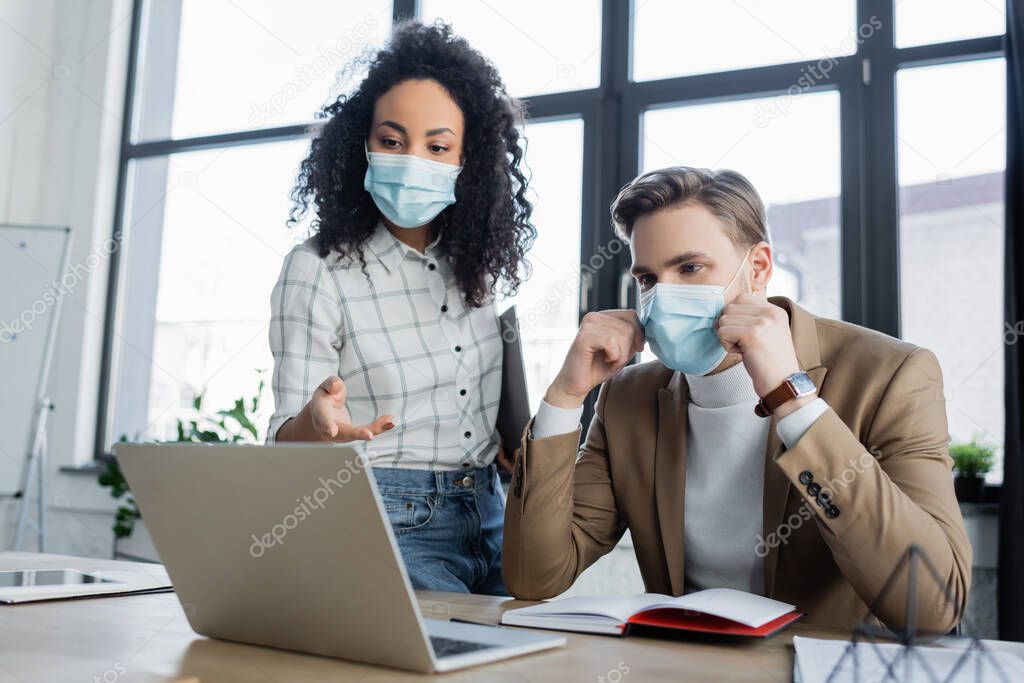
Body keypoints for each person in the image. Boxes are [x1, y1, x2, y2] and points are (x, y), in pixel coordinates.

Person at [503, 166, 972, 631]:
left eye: (690, 268)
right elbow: (535, 576)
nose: (663, 297)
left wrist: (794, 399)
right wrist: (566, 396)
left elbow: (930, 609)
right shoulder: (628, 396)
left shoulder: (890, 375)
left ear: (759, 268)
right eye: (648, 279)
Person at [266, 21, 535, 596]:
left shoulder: (479, 272)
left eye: (437, 147)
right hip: (388, 518)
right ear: (361, 145)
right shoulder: (317, 269)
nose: (412, 159)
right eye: (391, 141)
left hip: (494, 518)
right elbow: (283, 443)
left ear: (470, 161)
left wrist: (512, 445)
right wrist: (316, 427)